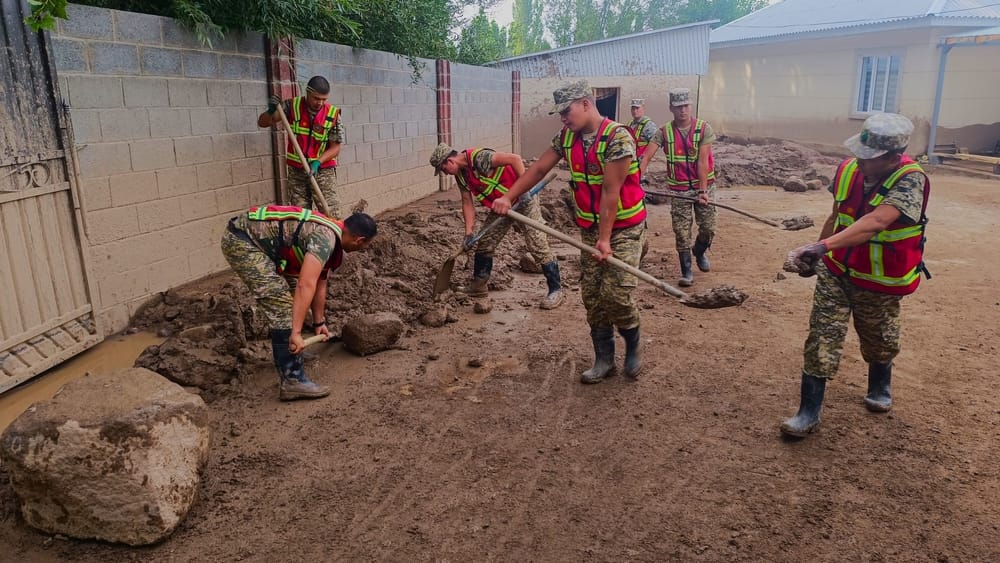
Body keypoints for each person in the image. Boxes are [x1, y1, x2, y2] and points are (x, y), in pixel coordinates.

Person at [780, 113, 930, 437]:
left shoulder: (910, 179)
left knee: (878, 339)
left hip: (879, 281)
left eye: (869, 157)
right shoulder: (848, 169)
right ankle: (808, 412)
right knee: (821, 336)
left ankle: (879, 384)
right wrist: (816, 254)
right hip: (836, 272)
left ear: (893, 158)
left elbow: (877, 221)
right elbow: (838, 215)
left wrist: (822, 247)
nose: (859, 160)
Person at [492, 80, 647, 383]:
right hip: (590, 229)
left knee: (617, 294)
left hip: (624, 228)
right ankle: (604, 358)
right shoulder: (567, 136)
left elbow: (610, 192)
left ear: (586, 103)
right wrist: (508, 196)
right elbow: (537, 169)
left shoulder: (618, 138)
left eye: (567, 111)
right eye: (560, 113)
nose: (563, 118)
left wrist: (605, 239)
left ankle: (632, 343)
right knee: (592, 297)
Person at [222, 206, 377, 401]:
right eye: (364, 246)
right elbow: (306, 285)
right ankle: (292, 380)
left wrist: (319, 323)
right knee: (282, 305)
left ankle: (289, 353)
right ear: (359, 240)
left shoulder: (334, 233)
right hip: (242, 241)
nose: (362, 250)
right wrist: (295, 332)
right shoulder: (325, 239)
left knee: (290, 291)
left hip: (257, 241)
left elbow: (320, 281)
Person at [428, 143, 566, 309]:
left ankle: (556, 290)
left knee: (537, 244)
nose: (445, 174)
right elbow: (467, 202)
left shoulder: (479, 158)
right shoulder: (462, 175)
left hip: (523, 199)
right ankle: (478, 287)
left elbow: (514, 159)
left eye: (443, 170)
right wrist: (469, 233)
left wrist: (524, 191)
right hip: (502, 204)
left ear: (450, 161)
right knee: (485, 243)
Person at [639, 87, 717, 287]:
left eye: (685, 106)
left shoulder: (703, 129)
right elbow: (646, 157)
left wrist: (702, 192)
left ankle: (699, 252)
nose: (683, 110)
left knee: (707, 228)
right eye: (678, 107)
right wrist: (637, 178)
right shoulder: (664, 132)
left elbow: (702, 162)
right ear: (671, 109)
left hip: (704, 187)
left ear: (690, 106)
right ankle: (687, 271)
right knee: (682, 231)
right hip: (679, 191)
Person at [258, 76, 343, 215]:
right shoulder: (292, 106)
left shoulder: (332, 114)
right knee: (301, 215)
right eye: (316, 98)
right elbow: (262, 123)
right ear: (307, 93)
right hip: (297, 170)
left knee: (331, 212)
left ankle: (335, 237)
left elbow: (336, 148)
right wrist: (270, 111)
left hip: (322, 170)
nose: (320, 103)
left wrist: (318, 162)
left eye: (324, 99)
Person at [626, 98, 658, 173]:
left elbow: (654, 143)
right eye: (633, 109)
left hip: (642, 161)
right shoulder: (630, 123)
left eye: (637, 108)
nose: (635, 111)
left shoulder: (649, 125)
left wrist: (646, 158)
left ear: (643, 108)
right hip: (630, 159)